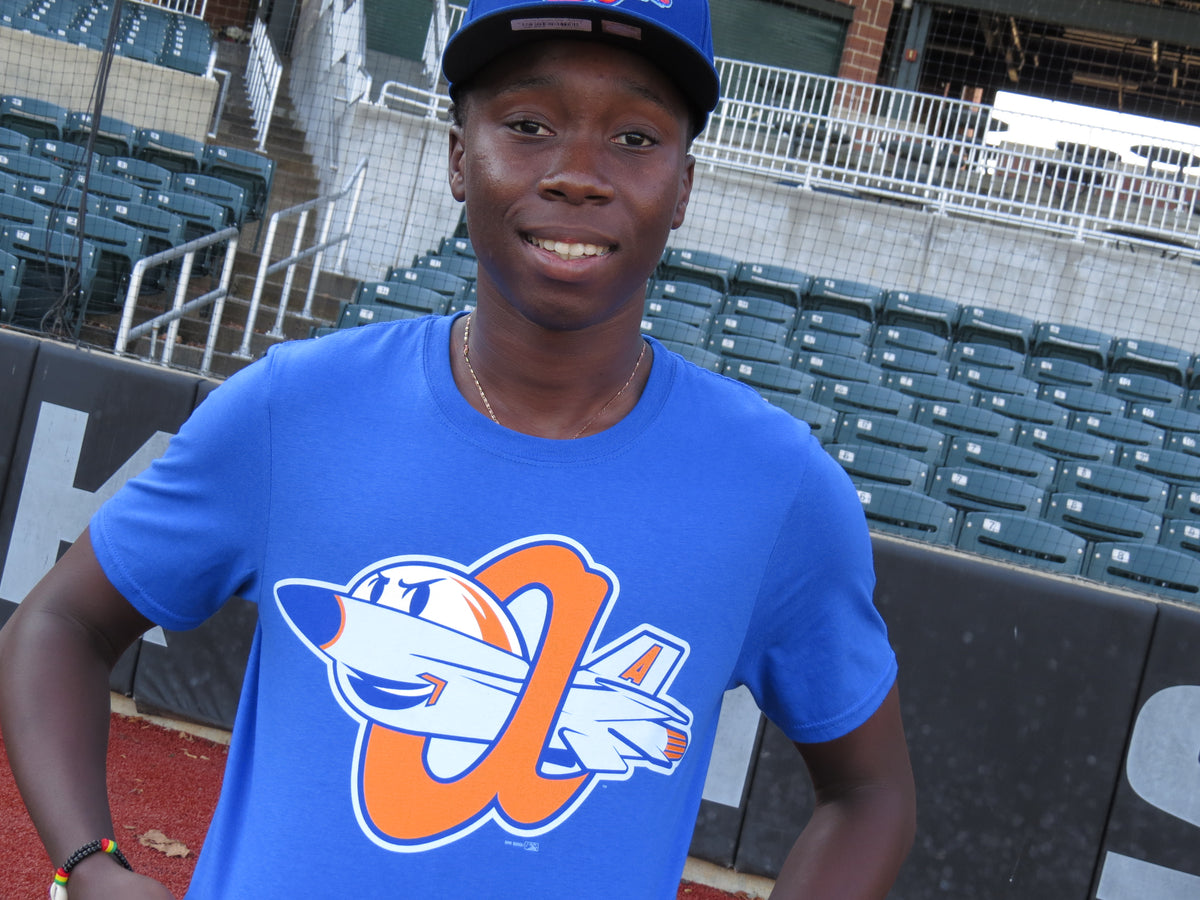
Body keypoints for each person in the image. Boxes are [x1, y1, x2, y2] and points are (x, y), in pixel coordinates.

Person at [0, 0, 916, 895]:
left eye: (635, 138)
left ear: (683, 186)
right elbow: (56, 624)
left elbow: (871, 794)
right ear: (454, 156)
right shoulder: (295, 409)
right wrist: (91, 869)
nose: (578, 174)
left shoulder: (778, 489)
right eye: (527, 123)